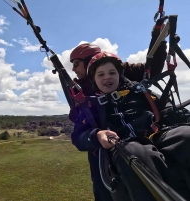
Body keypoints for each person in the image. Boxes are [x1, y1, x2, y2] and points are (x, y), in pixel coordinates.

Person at [77, 51, 190, 200]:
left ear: (120, 74)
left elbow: (164, 107)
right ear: (93, 80)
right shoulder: (90, 105)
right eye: (101, 74)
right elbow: (78, 135)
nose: (107, 77)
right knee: (136, 154)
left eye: (112, 72)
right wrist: (97, 135)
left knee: (186, 135)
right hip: (124, 144)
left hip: (157, 133)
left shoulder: (139, 91)